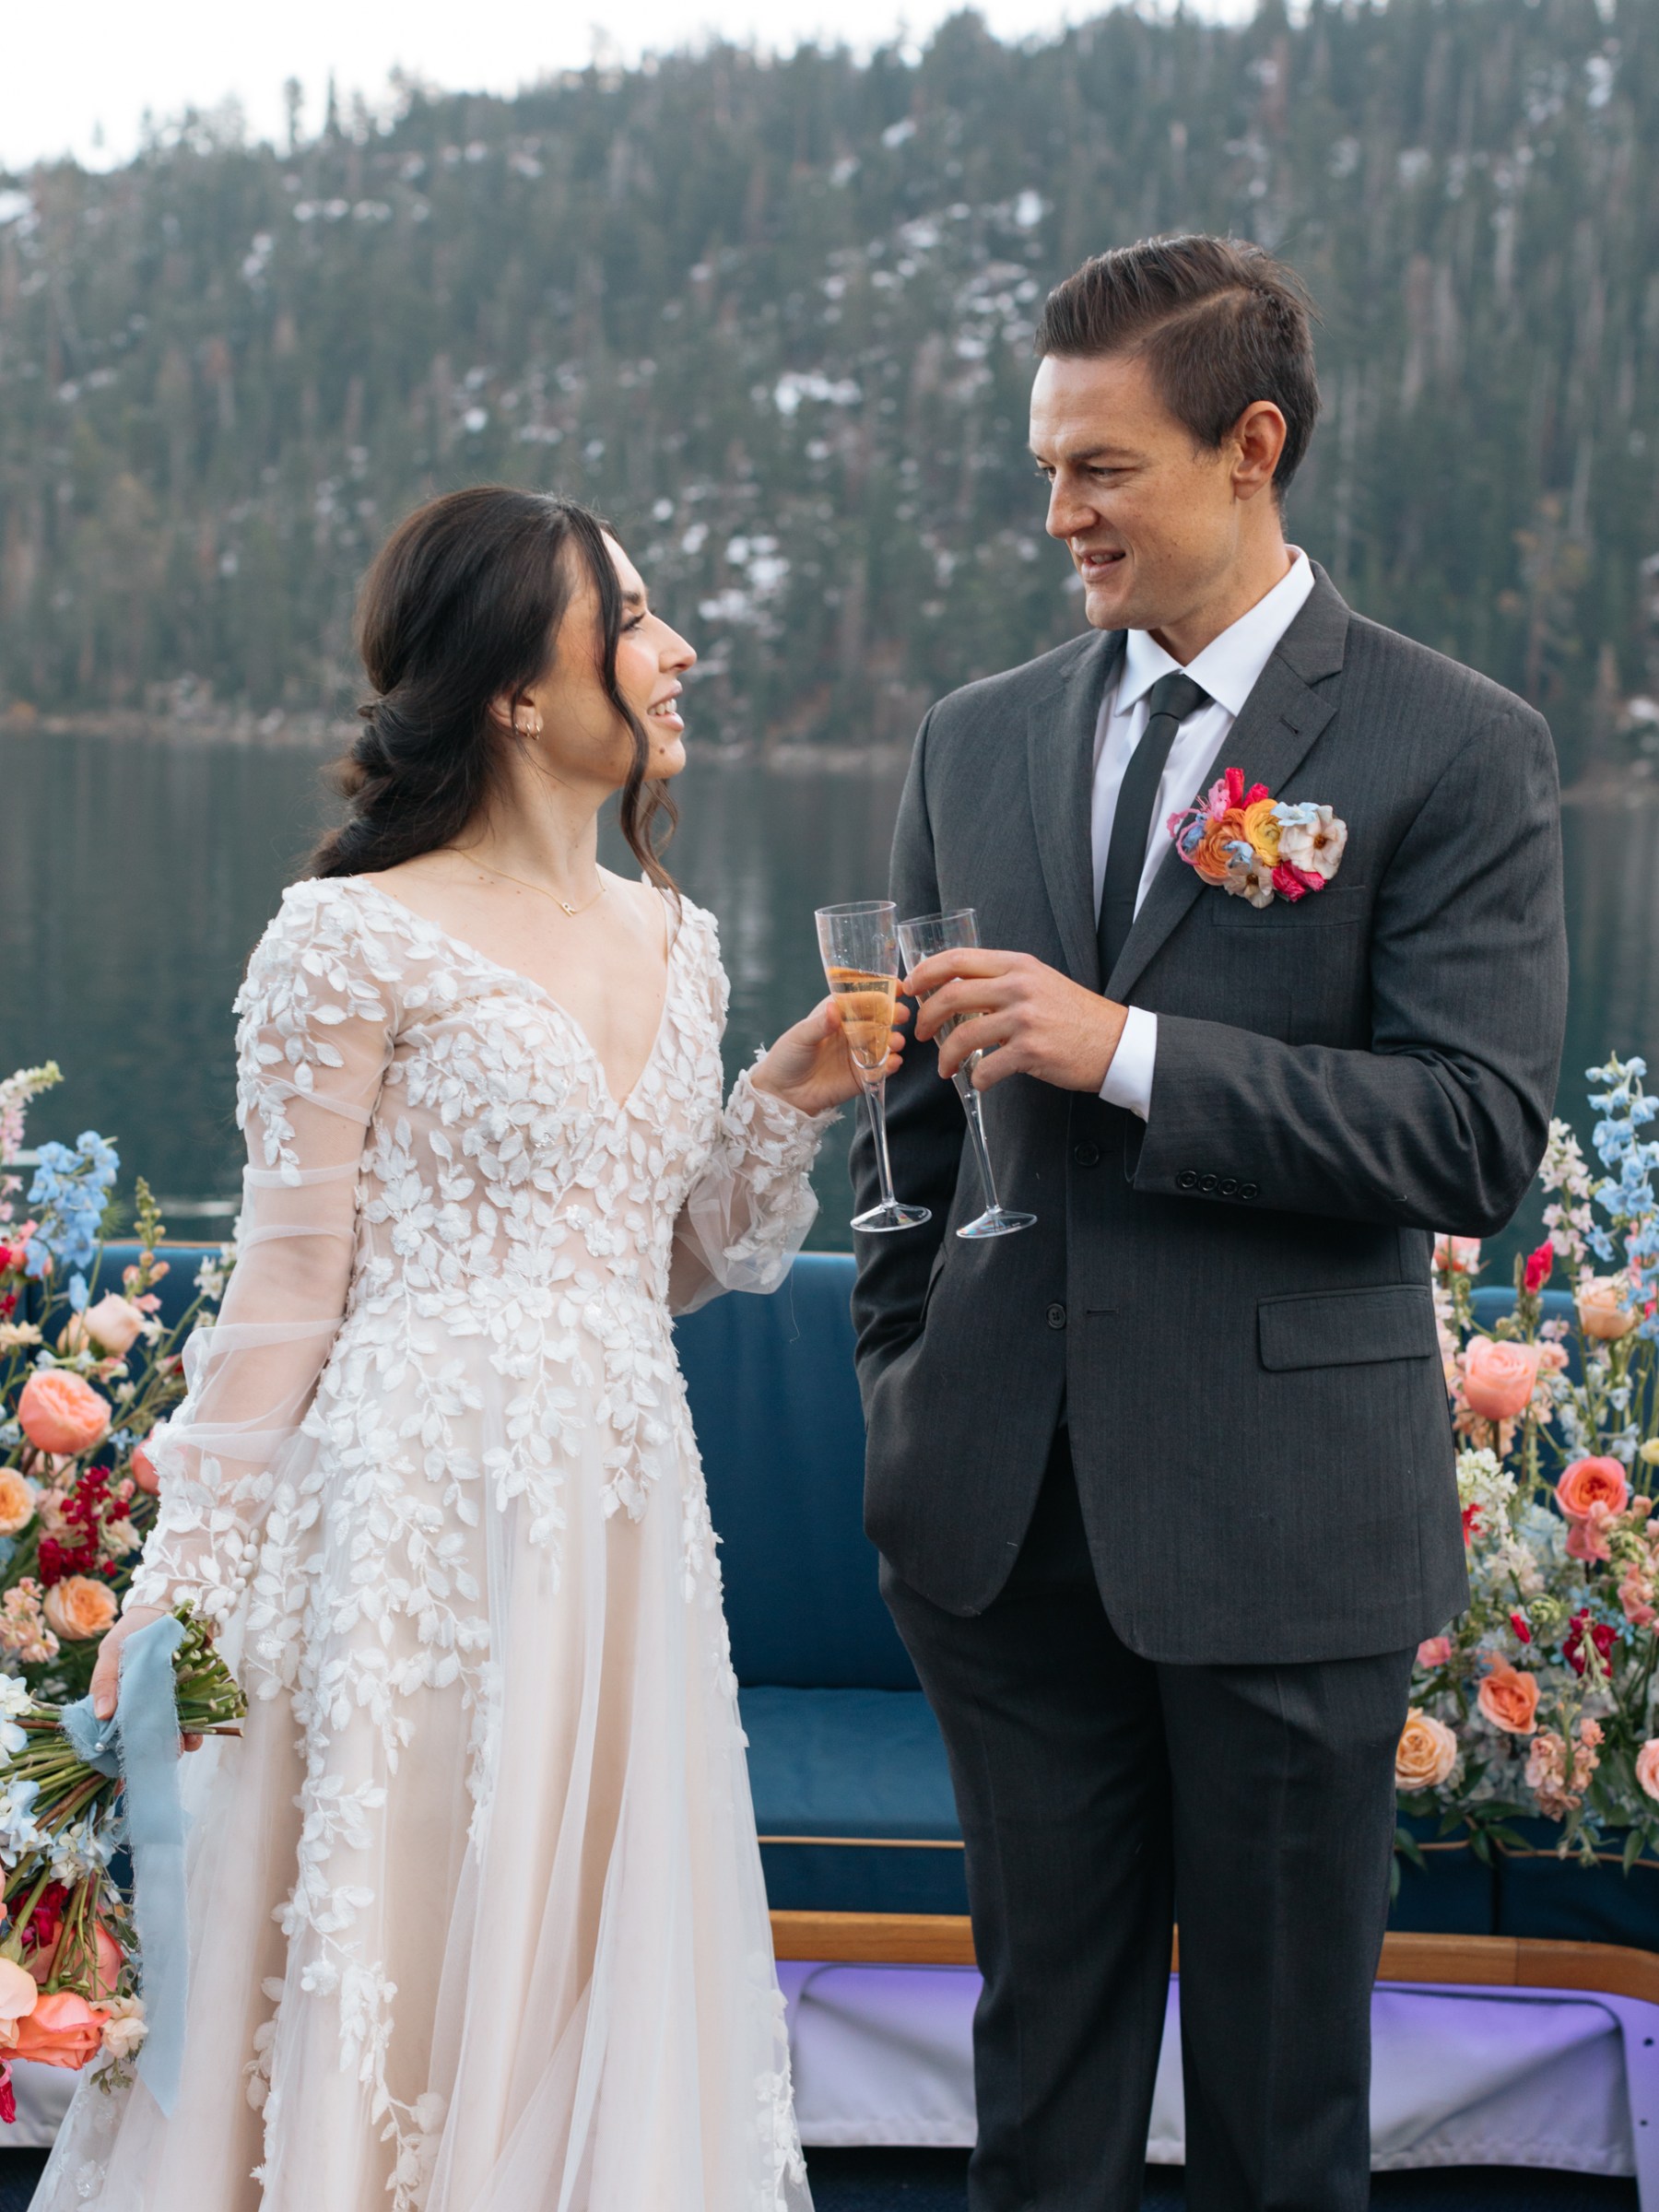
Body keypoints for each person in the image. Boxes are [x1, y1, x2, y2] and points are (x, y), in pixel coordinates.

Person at [42, 487, 889, 2212]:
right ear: (518, 687)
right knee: (403, 1961)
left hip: (625, 1519)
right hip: (407, 1527)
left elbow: (667, 1258)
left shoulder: (685, 936)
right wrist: (178, 1587)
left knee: (593, 1952)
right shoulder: (344, 940)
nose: (678, 652)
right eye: (637, 618)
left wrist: (786, 1098)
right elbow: (280, 1300)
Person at [851, 235, 1569, 2212]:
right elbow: (910, 1125)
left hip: (1284, 1533)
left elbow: (1476, 1134)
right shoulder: (972, 738)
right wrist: (901, 1378)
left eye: (1102, 467)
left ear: (1252, 447)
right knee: (1040, 2108)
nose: (1057, 512)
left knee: (1281, 2127)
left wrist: (1131, 1049)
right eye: (1044, 466)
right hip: (997, 1525)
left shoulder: (1453, 743)